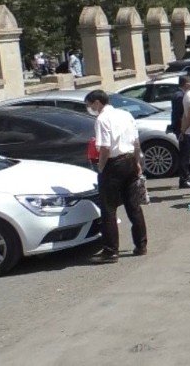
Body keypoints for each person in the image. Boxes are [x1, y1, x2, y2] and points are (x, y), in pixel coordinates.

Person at [85, 90, 147, 263]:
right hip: (129, 160)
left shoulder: (102, 119)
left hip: (114, 163)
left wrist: (101, 167)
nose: (90, 108)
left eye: (90, 105)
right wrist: (136, 162)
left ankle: (111, 251)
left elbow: (104, 148)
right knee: (133, 205)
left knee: (109, 208)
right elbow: (136, 142)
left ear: (97, 103)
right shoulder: (125, 114)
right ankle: (141, 245)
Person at [171, 74, 190, 189]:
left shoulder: (180, 95)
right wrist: (181, 131)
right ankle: (184, 179)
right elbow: (181, 115)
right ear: (186, 84)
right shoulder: (180, 96)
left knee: (186, 154)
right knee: (184, 154)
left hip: (182, 128)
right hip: (181, 129)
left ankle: (186, 177)